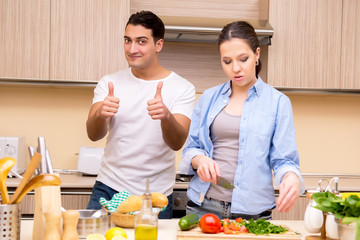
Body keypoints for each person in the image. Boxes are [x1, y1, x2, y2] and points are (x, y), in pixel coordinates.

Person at [180, 21, 305, 220]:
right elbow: (191, 148)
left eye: (243, 59)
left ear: (257, 54)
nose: (235, 68)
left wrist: (291, 177)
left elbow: (284, 161)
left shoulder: (278, 102)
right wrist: (200, 160)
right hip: (204, 207)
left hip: (254, 213)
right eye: (227, 61)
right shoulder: (208, 98)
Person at [86, 10, 196, 219]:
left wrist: (166, 117)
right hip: (109, 187)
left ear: (158, 45)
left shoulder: (182, 88)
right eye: (128, 40)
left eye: (141, 41)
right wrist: (101, 114)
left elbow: (176, 143)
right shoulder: (110, 82)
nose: (132, 48)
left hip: (154, 195)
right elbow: (93, 134)